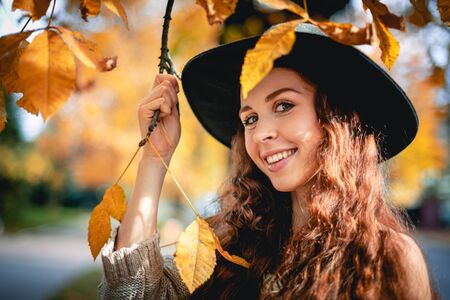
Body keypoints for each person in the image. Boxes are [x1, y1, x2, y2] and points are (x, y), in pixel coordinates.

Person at [98, 24, 436, 299]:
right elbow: (132, 294)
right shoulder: (226, 247)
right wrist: (155, 156)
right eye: (250, 119)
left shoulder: (387, 260)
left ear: (336, 119)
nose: (261, 134)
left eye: (284, 106)